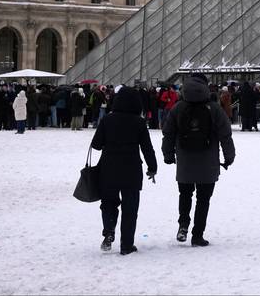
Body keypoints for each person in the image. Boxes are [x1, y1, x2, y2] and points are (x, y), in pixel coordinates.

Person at [161, 74, 235, 246]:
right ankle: (197, 235)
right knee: (203, 199)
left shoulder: (178, 108)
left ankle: (183, 226)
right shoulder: (214, 108)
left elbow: (168, 133)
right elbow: (226, 134)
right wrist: (229, 156)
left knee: (185, 194)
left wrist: (168, 154)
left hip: (185, 161)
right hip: (208, 162)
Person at [91, 87, 157, 254]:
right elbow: (147, 148)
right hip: (132, 168)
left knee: (108, 203)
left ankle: (109, 231)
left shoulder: (107, 120)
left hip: (108, 168)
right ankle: (126, 245)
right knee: (130, 208)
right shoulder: (139, 122)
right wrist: (152, 168)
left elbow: (97, 145)